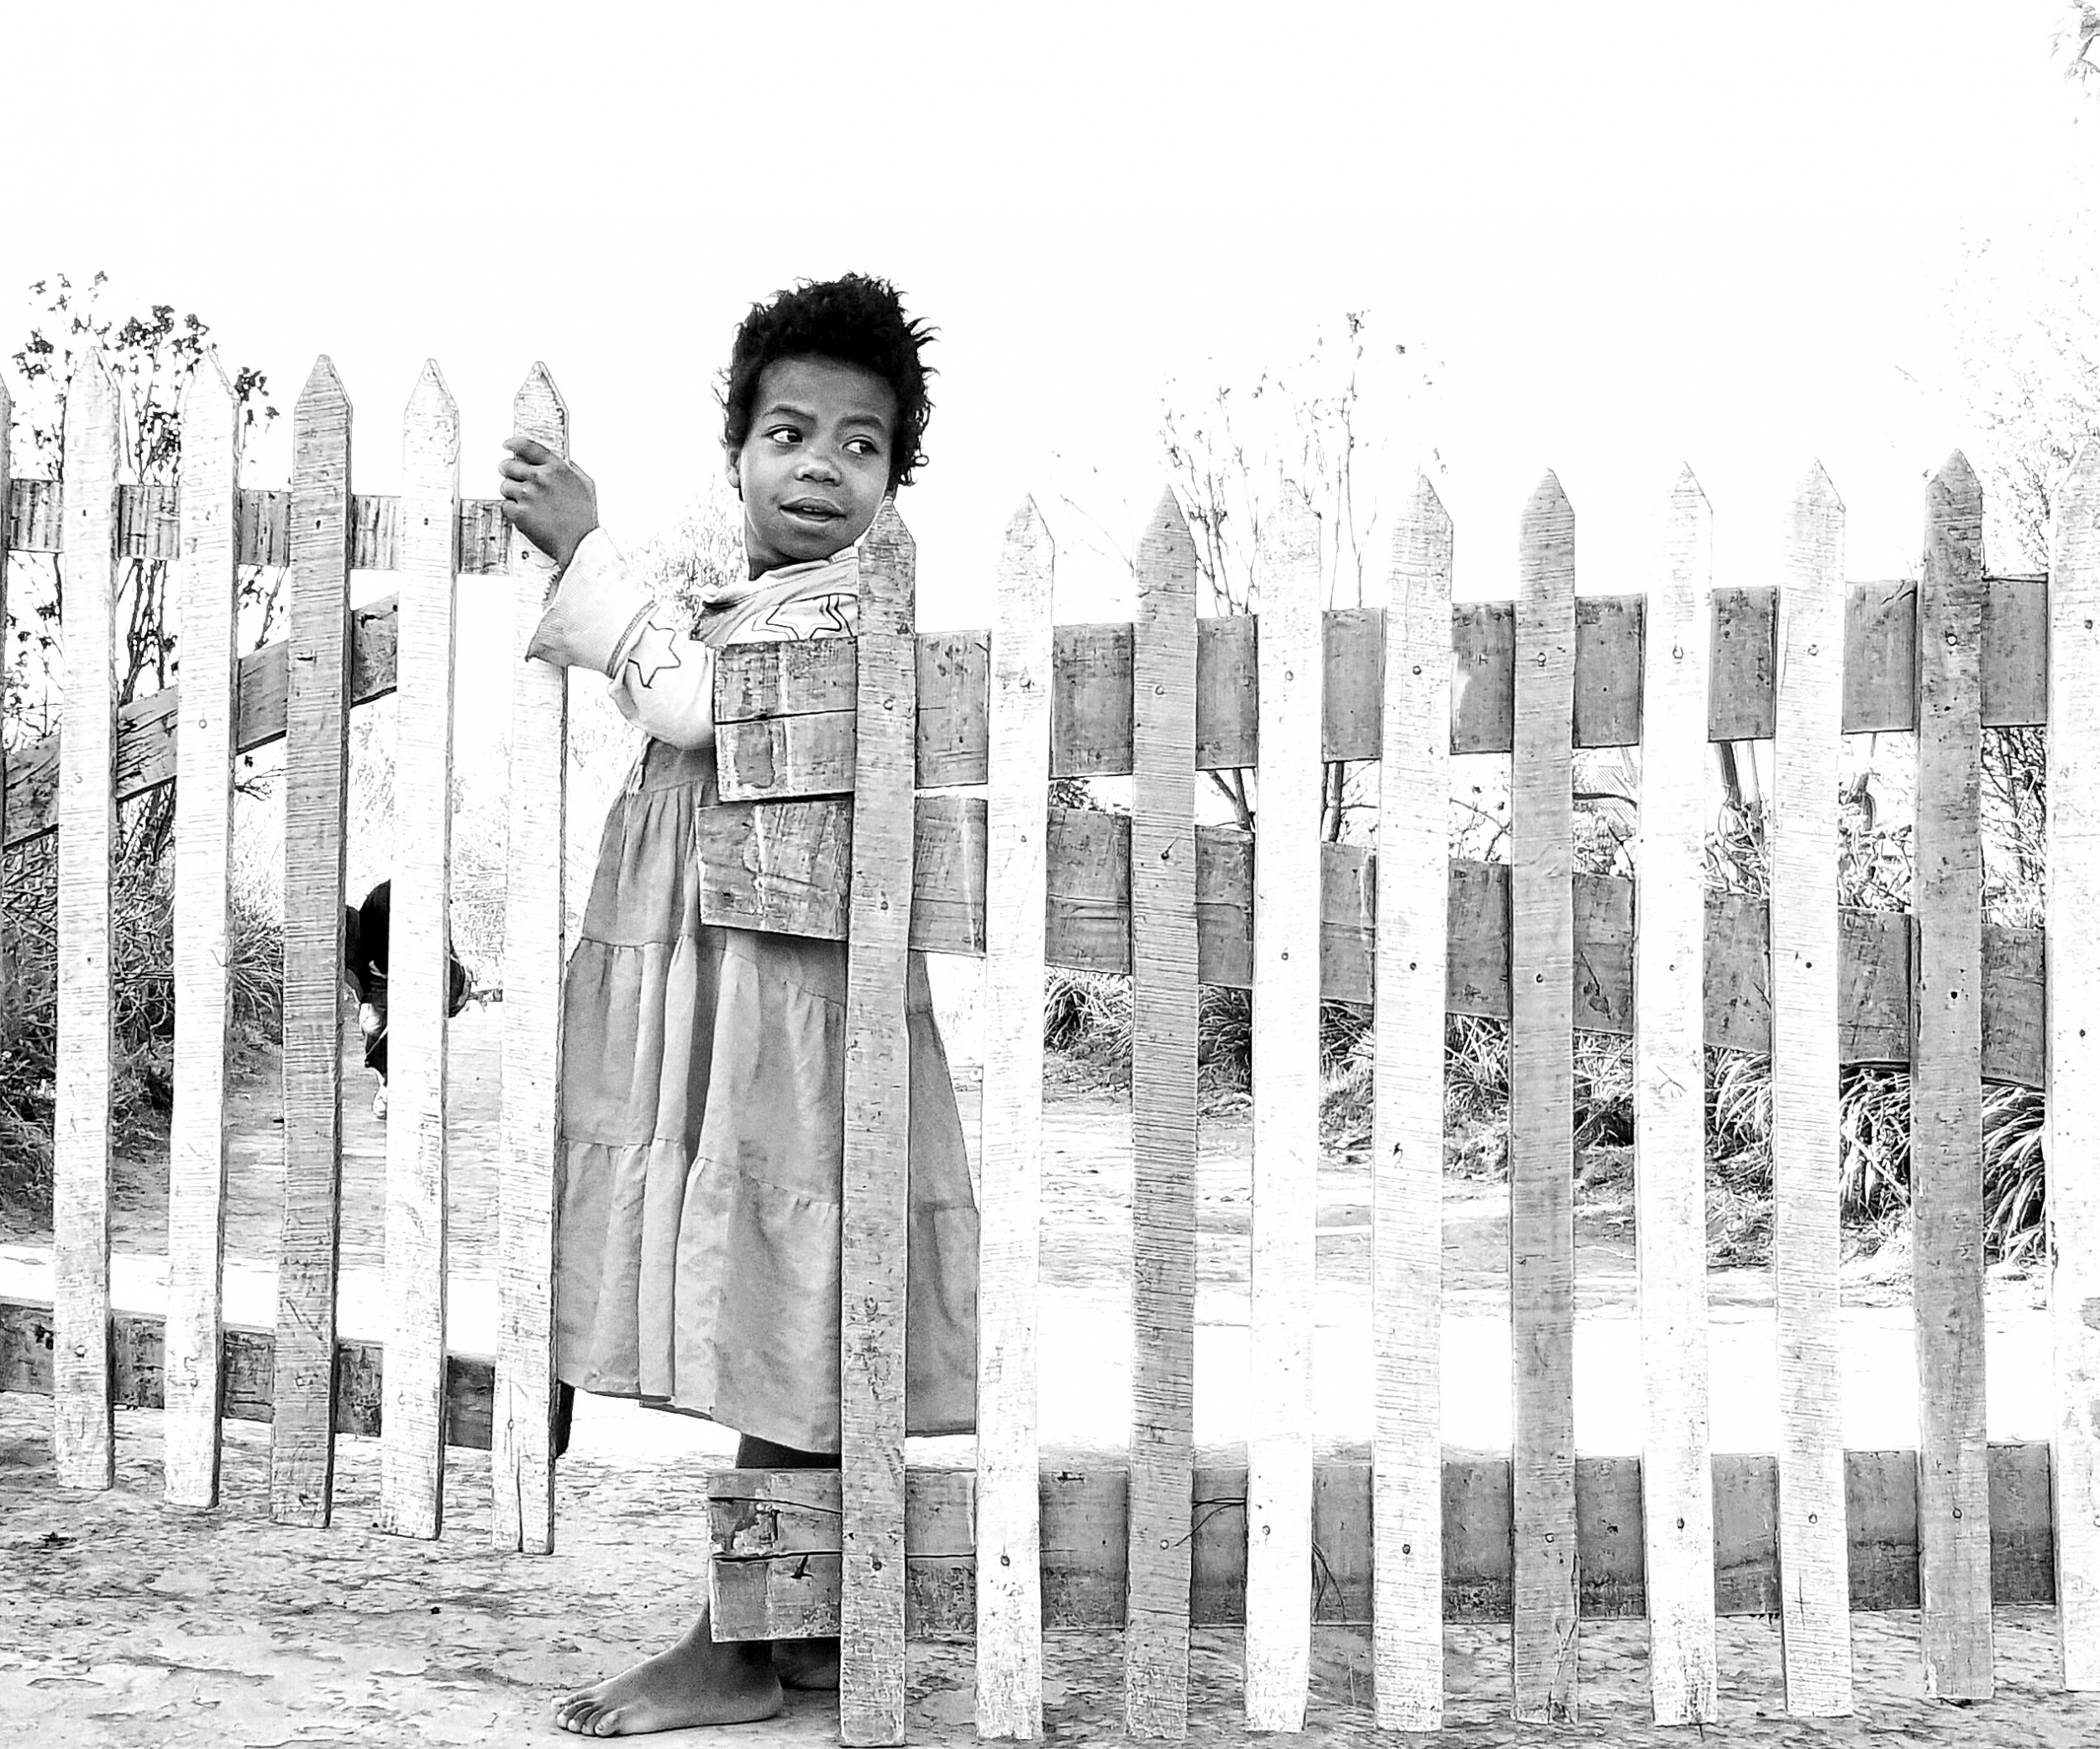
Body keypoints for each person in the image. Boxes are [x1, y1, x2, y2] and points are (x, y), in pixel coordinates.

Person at [499, 274, 979, 1736]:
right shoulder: (756, 598)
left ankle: (737, 1641)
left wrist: (584, 548)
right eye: (790, 433)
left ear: (894, 483)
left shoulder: (845, 606)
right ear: (738, 451)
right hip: (727, 972)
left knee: (799, 1272)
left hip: (790, 986)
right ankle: (802, 1620)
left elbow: (697, 705)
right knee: (788, 1270)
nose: (822, 468)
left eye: (861, 445)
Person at [340, 880, 472, 1121]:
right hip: (381, 975)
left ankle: (402, 1087)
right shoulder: (378, 906)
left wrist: (455, 982)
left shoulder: (430, 906)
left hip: (423, 974)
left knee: (411, 1028)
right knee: (373, 1026)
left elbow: (448, 959)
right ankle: (389, 1085)